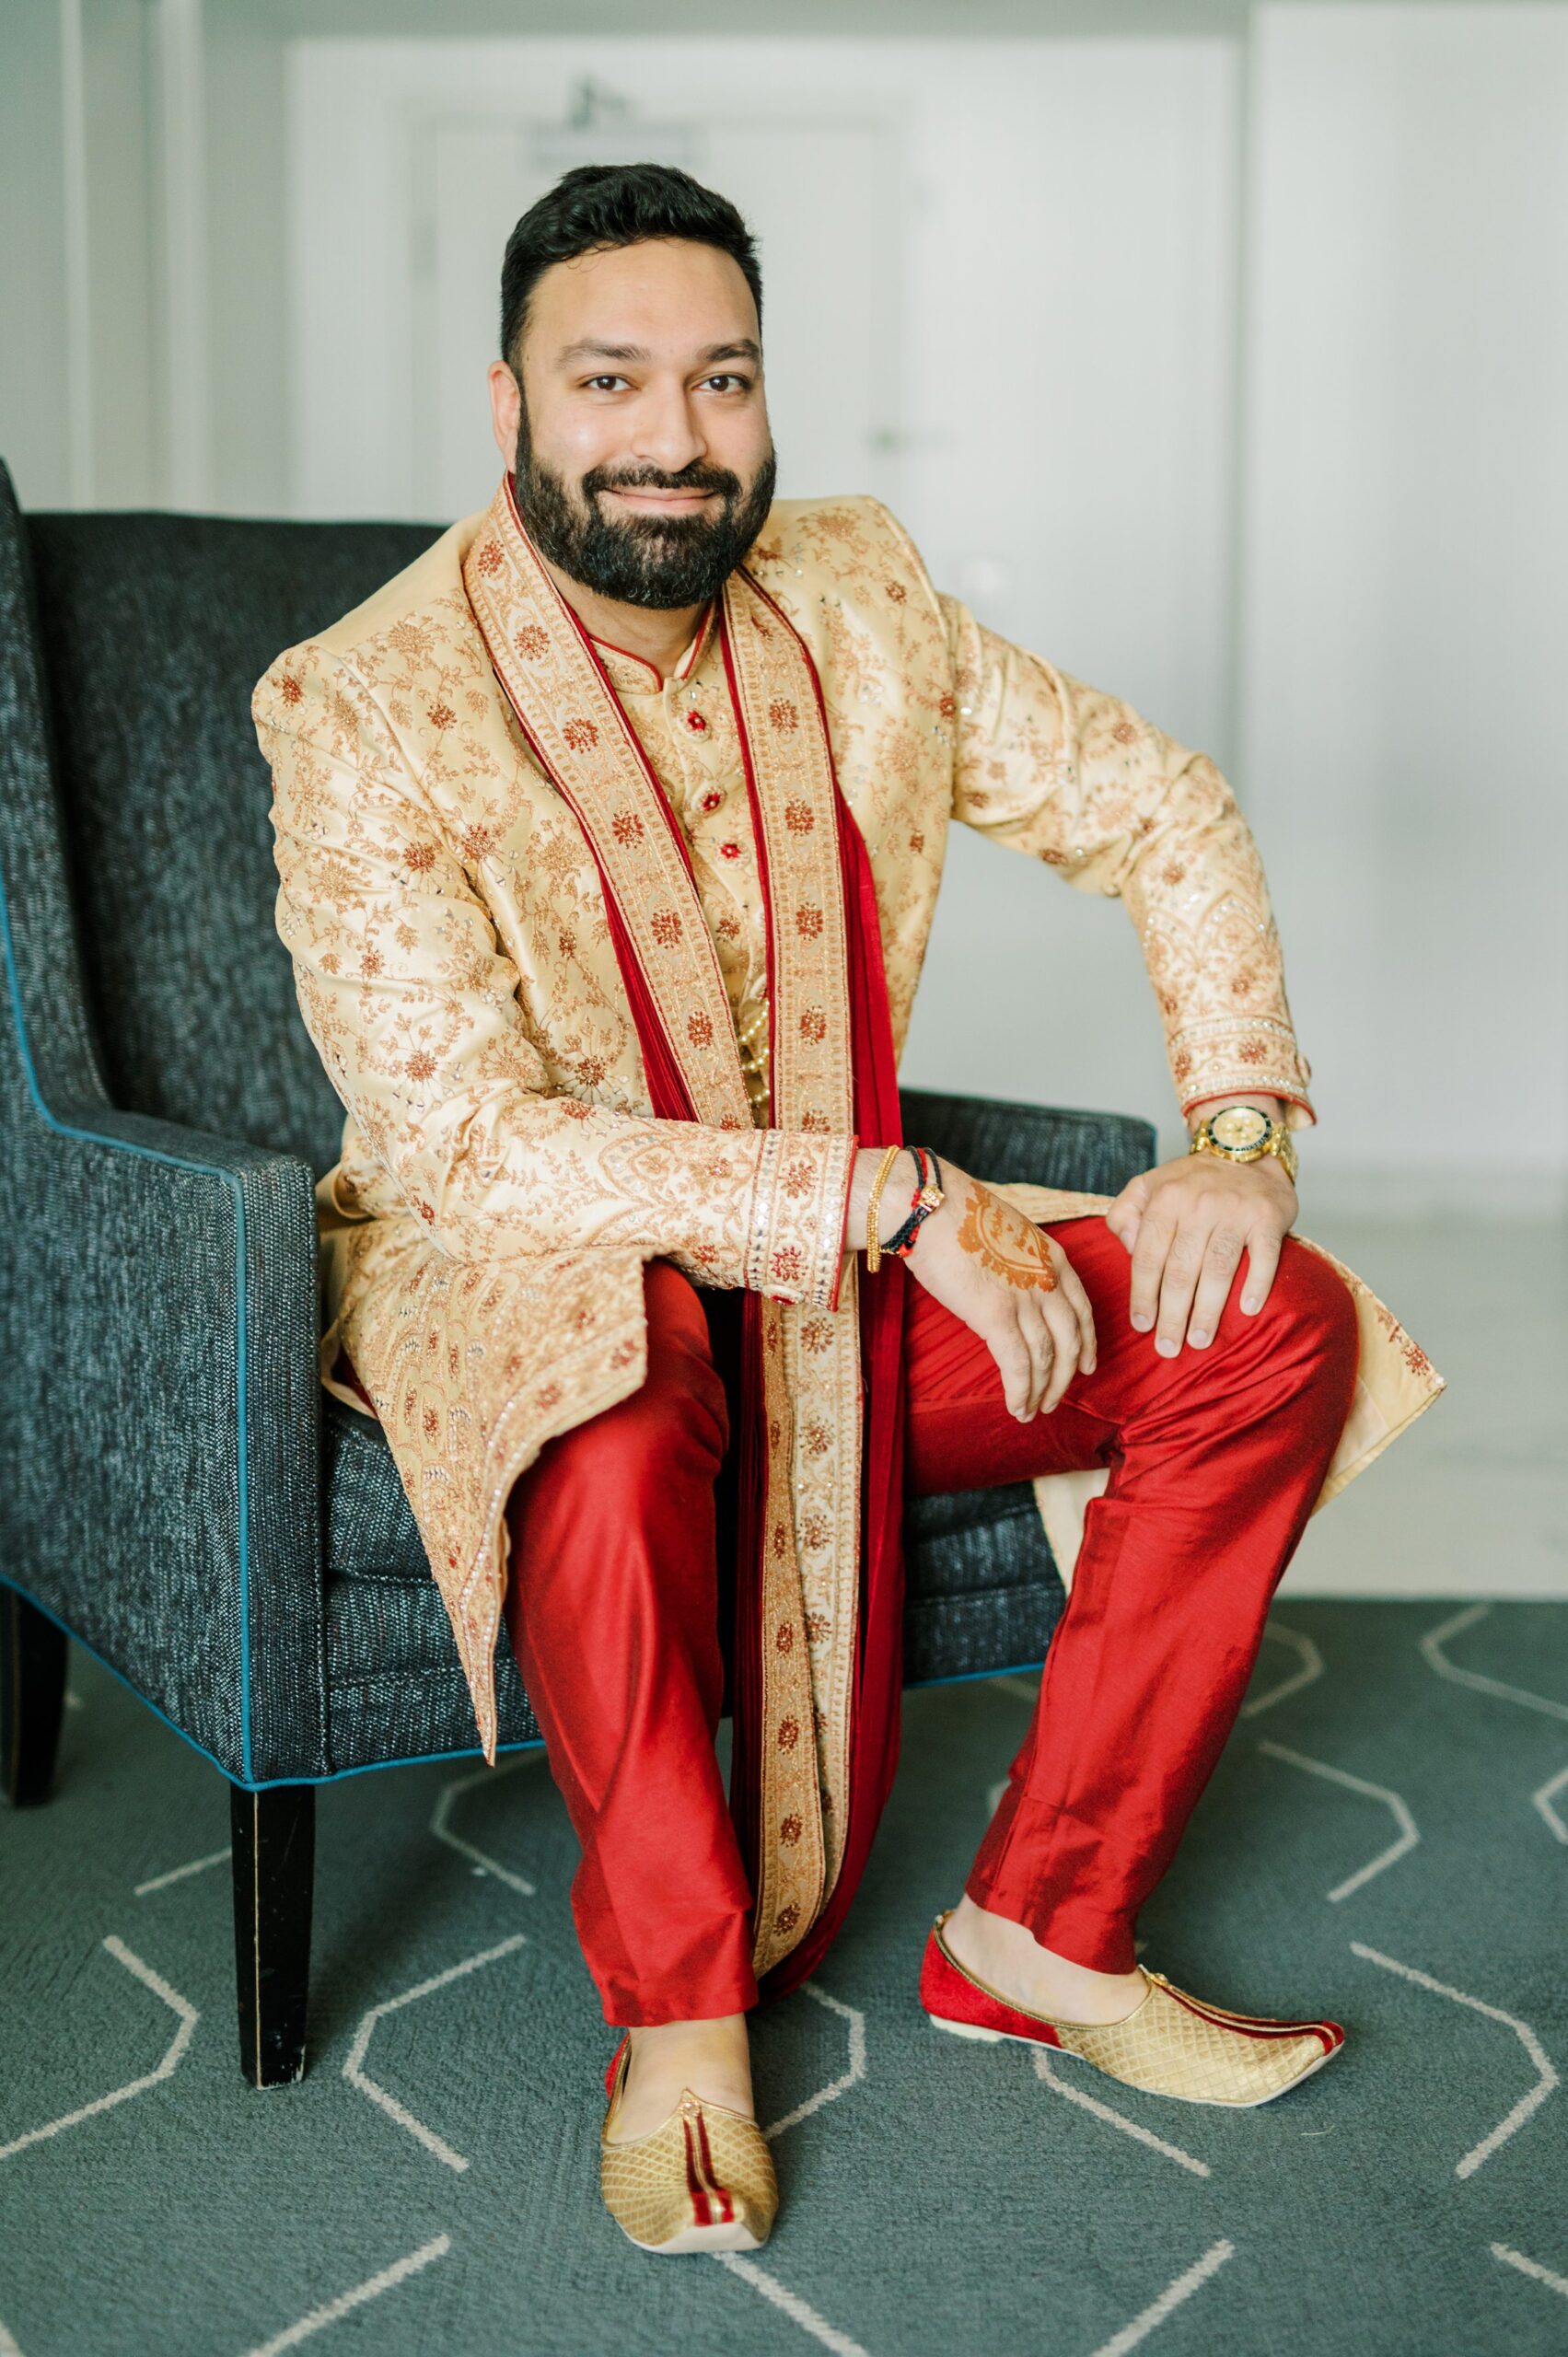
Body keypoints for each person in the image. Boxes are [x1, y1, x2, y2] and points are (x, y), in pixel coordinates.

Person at [253, 163, 1441, 2256]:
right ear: (508, 402)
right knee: (613, 1402)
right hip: (532, 1282)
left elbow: (1162, 802)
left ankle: (1047, 1927)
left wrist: (1238, 1129)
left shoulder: (863, 592)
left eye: (721, 378)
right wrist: (887, 1195)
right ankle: (684, 2022)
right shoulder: (359, 703)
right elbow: (463, 1142)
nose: (672, 433)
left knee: (1273, 1320)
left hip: (860, 1286)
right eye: (608, 377)